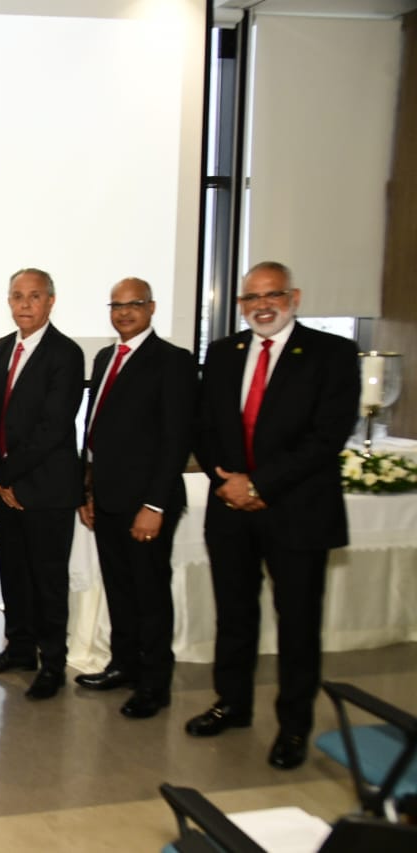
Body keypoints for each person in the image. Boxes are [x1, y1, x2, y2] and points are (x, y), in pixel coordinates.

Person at [187, 261, 359, 770]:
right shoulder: (224, 353)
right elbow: (203, 425)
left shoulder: (331, 353)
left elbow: (328, 436)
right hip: (230, 510)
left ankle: (294, 726)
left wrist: (260, 485)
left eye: (272, 295)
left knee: (298, 624)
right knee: (234, 615)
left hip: (298, 511)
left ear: (294, 297)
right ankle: (232, 703)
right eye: (251, 298)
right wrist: (227, 482)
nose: (261, 306)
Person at [73, 279, 196, 719]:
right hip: (106, 496)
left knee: (150, 594)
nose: (124, 313)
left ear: (152, 308)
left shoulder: (173, 361)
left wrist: (155, 505)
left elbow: (176, 439)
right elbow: (95, 431)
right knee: (120, 589)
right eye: (117, 305)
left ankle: (154, 684)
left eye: (134, 304)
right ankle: (122, 666)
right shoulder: (106, 357)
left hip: (146, 502)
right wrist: (86, 489)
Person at [0, 268, 84, 700]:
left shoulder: (67, 354)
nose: (24, 304)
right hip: (5, 488)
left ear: (50, 301)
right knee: (14, 576)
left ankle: (52, 664)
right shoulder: (2, 349)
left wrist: (5, 475)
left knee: (48, 582)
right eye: (17, 296)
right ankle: (19, 650)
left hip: (47, 490)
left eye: (34, 296)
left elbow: (52, 428)